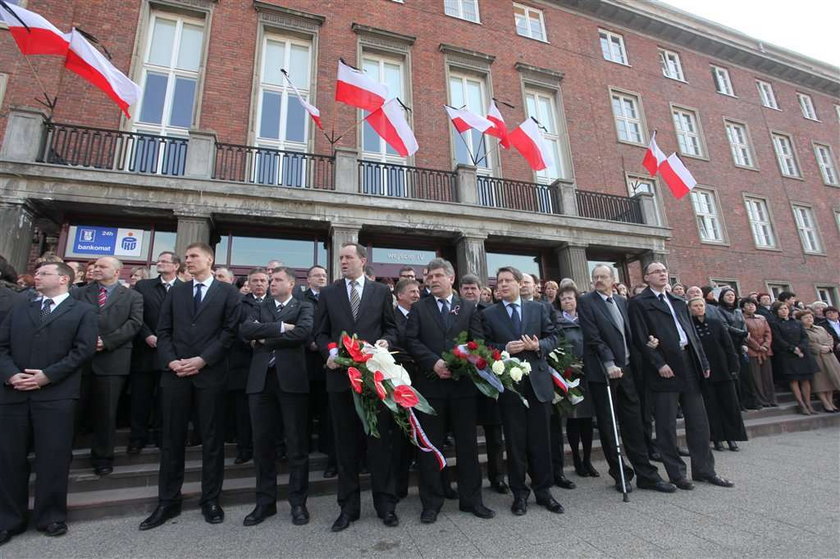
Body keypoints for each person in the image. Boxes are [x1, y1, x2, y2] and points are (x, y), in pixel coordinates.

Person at [140, 243, 242, 530]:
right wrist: (172, 361)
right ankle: (168, 502)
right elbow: (164, 331)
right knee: (172, 439)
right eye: (185, 258)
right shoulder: (178, 291)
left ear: (209, 259)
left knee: (211, 439)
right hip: (175, 375)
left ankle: (210, 499)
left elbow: (229, 333)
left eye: (193, 256)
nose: (188, 261)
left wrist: (202, 360)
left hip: (210, 375)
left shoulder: (228, 292)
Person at [0, 262, 98, 544]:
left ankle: (51, 516)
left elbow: (83, 351)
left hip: (56, 395)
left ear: (64, 280)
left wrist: (47, 376)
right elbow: (2, 346)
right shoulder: (20, 306)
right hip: (13, 393)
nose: (37, 277)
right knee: (8, 458)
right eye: (38, 273)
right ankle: (9, 519)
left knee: (53, 458)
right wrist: (10, 374)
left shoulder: (83, 311)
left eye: (44, 273)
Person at [315, 242, 400, 532]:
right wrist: (329, 353)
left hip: (374, 380)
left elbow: (391, 328)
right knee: (345, 447)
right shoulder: (329, 293)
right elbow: (320, 332)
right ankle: (348, 508)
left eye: (348, 257)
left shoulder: (380, 292)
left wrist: (386, 343)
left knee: (379, 445)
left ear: (363, 260)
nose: (343, 262)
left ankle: (386, 505)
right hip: (340, 380)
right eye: (340, 258)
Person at [404, 259, 494, 523]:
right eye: (429, 276)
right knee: (430, 447)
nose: (432, 280)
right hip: (430, 387)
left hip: (462, 388)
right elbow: (411, 340)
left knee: (467, 446)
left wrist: (458, 361)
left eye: (437, 275)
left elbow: (477, 342)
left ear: (451, 278)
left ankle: (472, 500)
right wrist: (434, 361)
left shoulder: (468, 307)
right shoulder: (419, 308)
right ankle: (431, 502)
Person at [628, 262, 733, 490]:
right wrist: (659, 363)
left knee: (698, 421)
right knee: (666, 425)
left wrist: (702, 361)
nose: (662, 274)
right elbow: (640, 337)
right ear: (646, 277)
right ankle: (677, 474)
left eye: (664, 271)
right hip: (665, 367)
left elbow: (692, 334)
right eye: (656, 271)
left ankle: (705, 469)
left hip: (689, 363)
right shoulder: (639, 303)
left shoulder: (678, 301)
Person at [578, 265, 674, 493]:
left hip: (629, 370)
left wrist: (648, 345)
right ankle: (620, 473)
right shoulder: (587, 302)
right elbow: (593, 338)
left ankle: (646, 474)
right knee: (609, 426)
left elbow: (631, 333)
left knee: (635, 423)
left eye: (603, 277)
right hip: (604, 373)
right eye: (595, 277)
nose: (599, 280)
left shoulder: (622, 301)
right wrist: (609, 362)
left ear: (613, 279)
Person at [481, 266, 565, 516]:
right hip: (510, 388)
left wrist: (539, 345)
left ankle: (544, 491)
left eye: (508, 281)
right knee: (515, 443)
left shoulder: (538, 308)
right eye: (500, 281)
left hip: (538, 385)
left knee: (541, 442)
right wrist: (505, 347)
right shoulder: (489, 313)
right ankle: (519, 494)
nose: (503, 285)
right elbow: (484, 346)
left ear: (520, 284)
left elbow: (555, 336)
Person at [240, 267, 314, 526]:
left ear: (292, 283)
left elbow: (303, 333)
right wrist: (281, 327)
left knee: (296, 446)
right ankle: (264, 503)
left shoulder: (304, 306)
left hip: (292, 383)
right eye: (271, 280)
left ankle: (298, 503)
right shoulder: (260, 306)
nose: (272, 283)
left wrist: (265, 339)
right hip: (260, 384)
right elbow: (246, 330)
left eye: (278, 280)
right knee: (262, 446)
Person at [73, 257, 144, 475]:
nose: (96, 269)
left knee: (106, 413)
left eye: (102, 266)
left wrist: (107, 341)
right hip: (80, 361)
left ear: (116, 272)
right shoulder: (78, 293)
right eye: (95, 266)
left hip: (113, 361)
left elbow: (134, 323)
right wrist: (86, 340)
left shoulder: (133, 296)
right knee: (72, 411)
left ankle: (102, 457)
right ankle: (61, 453)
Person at [129, 252, 182, 454]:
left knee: (165, 399)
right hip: (145, 351)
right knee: (140, 398)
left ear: (176, 266)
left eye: (164, 261)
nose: (159, 263)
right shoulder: (144, 286)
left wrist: (169, 342)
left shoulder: (184, 288)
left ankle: (162, 436)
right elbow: (136, 315)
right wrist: (147, 336)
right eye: (158, 260)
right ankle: (137, 438)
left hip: (171, 355)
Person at [459, 274, 507, 494]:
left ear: (480, 290)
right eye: (466, 288)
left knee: (494, 434)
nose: (469, 292)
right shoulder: (455, 309)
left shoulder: (490, 312)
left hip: (487, 379)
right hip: (463, 381)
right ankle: (469, 479)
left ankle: (497, 476)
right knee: (466, 435)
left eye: (473, 288)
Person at [688, 297, 747, 451]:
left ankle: (732, 438)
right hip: (704, 372)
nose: (699, 308)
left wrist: (733, 366)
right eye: (695, 306)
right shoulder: (689, 326)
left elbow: (728, 345)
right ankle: (717, 439)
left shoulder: (716, 323)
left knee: (729, 404)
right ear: (689, 308)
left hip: (723, 369)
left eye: (701, 305)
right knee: (711, 406)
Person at [554, 284, 598, 480]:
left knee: (587, 419)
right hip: (569, 374)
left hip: (587, 374)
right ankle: (577, 459)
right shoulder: (557, 322)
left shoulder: (587, 319)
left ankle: (588, 459)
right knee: (573, 419)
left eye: (570, 298)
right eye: (563, 299)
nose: (567, 301)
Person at [228, 268, 270, 465]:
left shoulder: (274, 303)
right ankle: (244, 449)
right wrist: (251, 340)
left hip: (268, 364)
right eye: (255, 281)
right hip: (243, 364)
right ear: (249, 283)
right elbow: (236, 328)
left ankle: (270, 449)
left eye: (263, 280)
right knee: (243, 412)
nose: (259, 284)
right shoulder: (239, 302)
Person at [299, 265, 334, 477]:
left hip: (329, 364)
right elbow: (298, 326)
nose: (321, 278)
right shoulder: (301, 299)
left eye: (324, 275)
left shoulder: (331, 297)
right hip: (306, 365)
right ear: (308, 278)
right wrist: (311, 343)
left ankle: (327, 450)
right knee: (305, 411)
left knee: (328, 413)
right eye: (317, 275)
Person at [717, 287, 761, 410]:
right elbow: (724, 326)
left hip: (740, 344)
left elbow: (743, 326)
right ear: (722, 297)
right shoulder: (719, 310)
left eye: (732, 295)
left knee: (746, 375)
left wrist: (744, 341)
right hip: (728, 344)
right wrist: (742, 333)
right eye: (727, 295)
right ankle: (738, 403)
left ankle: (750, 401)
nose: (730, 297)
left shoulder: (737, 311)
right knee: (735, 374)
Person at [770, 302, 818, 415]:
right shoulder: (774, 323)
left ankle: (808, 403)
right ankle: (801, 404)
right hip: (787, 354)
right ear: (776, 311)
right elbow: (778, 339)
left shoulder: (797, 322)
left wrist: (800, 347)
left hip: (802, 353)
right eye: (781, 309)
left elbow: (804, 337)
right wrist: (792, 349)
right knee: (794, 380)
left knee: (806, 379)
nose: (784, 311)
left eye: (785, 308)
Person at [800, 310, 840, 413]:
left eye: (810, 317)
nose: (809, 319)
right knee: (821, 381)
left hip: (829, 355)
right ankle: (825, 403)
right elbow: (808, 343)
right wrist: (819, 348)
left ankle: (831, 401)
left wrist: (829, 346)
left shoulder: (820, 328)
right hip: (817, 357)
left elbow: (829, 338)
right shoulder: (802, 331)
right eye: (806, 318)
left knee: (831, 379)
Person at [741, 298, 777, 407]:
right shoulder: (742, 319)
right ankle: (761, 400)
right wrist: (757, 347)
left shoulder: (762, 318)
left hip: (765, 350)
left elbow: (768, 332)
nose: (751, 306)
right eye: (748, 305)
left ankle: (771, 399)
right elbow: (746, 335)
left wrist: (766, 345)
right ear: (743, 307)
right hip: (753, 351)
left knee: (767, 377)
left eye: (752, 304)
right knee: (756, 378)